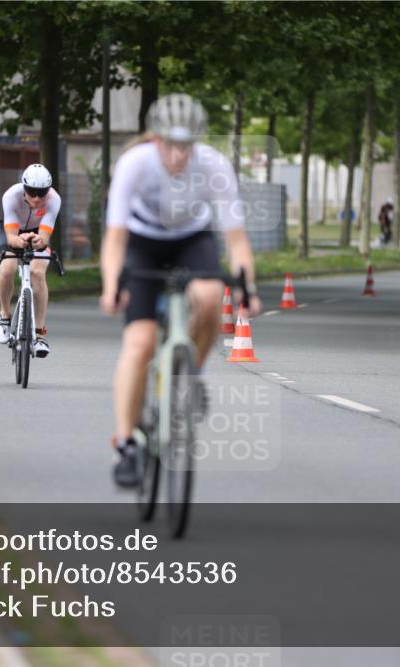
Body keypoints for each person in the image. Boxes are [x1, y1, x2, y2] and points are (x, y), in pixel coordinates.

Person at [99, 93, 262, 488]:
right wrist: (111, 286)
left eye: (186, 145)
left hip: (192, 238)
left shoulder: (213, 165)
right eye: (169, 145)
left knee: (210, 298)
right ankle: (126, 446)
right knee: (139, 343)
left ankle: (191, 374)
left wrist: (247, 288)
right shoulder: (135, 164)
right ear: (154, 139)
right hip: (142, 240)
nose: (177, 155)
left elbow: (236, 240)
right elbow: (116, 238)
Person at [0, 163, 60, 358]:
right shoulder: (10, 196)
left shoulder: (54, 200)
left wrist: (40, 241)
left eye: (42, 193)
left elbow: (45, 236)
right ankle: (4, 315)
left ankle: (40, 334)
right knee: (7, 268)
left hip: (38, 233)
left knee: (37, 273)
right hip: (12, 231)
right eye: (32, 192)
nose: (37, 198)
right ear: (24, 188)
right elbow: (12, 236)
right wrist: (18, 241)